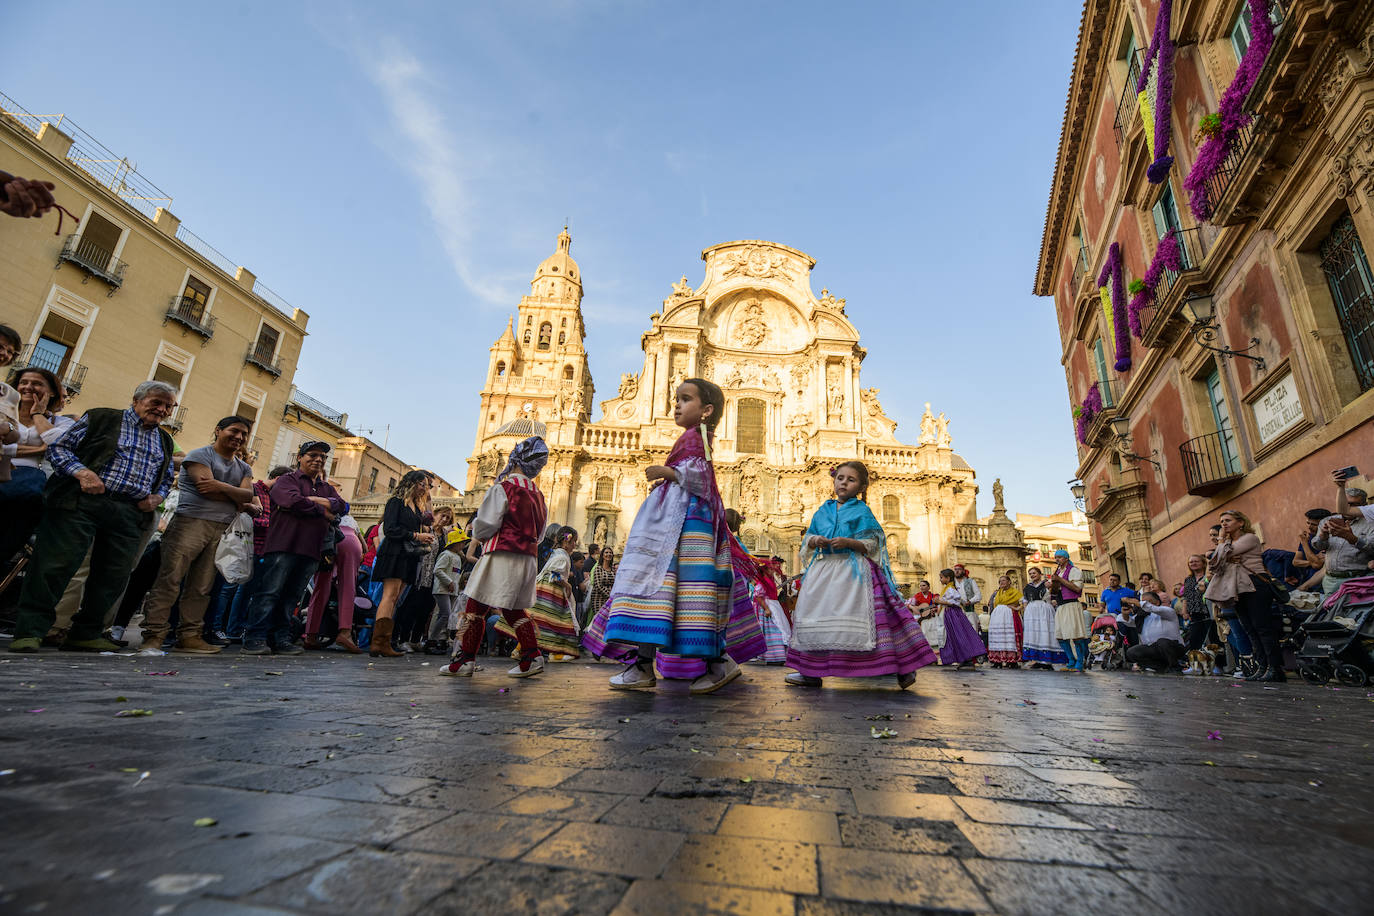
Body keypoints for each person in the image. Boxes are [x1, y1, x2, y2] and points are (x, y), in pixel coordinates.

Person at [583, 379, 743, 694]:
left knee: (670, 589)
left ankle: (699, 663)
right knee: (665, 592)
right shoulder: (691, 437)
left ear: (707, 410)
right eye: (676, 398)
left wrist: (668, 473)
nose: (676, 404)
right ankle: (651, 664)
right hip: (672, 523)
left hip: (682, 526)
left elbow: (702, 476)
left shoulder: (699, 438)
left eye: (685, 399)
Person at [8, 381, 177, 653]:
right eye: (156, 402)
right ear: (136, 400)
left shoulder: (165, 440)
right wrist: (83, 473)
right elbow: (60, 449)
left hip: (129, 511)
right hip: (82, 501)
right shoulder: (102, 417)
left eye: (168, 406)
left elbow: (167, 477)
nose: (162, 409)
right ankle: (30, 631)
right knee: (55, 565)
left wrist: (157, 497)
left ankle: (85, 633)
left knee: (113, 575)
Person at [781, 461, 934, 689]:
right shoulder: (823, 510)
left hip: (856, 573)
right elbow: (807, 540)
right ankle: (810, 671)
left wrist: (850, 542)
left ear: (861, 487)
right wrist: (815, 540)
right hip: (825, 572)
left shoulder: (862, 511)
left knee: (881, 619)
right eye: (840, 477)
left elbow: (875, 543)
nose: (843, 482)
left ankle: (902, 667)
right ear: (833, 480)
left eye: (850, 479)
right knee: (817, 620)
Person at [136, 416, 257, 656]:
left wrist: (225, 489)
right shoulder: (199, 455)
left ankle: (190, 636)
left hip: (221, 529)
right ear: (218, 430)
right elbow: (206, 488)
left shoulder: (244, 467)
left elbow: (244, 495)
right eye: (234, 431)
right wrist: (238, 497)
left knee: (202, 586)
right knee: (169, 581)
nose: (239, 438)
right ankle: (153, 636)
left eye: (244, 434)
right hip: (190, 523)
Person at [439, 436, 549, 678]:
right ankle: (532, 656)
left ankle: (466, 659)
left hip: (501, 554)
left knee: (475, 605)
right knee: (514, 608)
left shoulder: (503, 488)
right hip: (527, 558)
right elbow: (540, 534)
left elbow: (484, 526)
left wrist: (478, 530)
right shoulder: (539, 495)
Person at [242, 442, 347, 656]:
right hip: (283, 545)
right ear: (300, 457)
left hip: (311, 550)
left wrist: (316, 501)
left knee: (292, 597)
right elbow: (291, 501)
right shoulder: (286, 480)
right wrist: (324, 511)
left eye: (323, 457)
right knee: (269, 592)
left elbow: (343, 507)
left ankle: (281, 638)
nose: (318, 460)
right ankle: (255, 638)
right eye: (313, 455)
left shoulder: (326, 487)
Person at [0, 367, 73, 568]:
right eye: (24, 382)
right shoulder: (3, 412)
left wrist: (38, 415)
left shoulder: (62, 422)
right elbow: (48, 446)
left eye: (37, 384)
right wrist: (39, 448)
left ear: (52, 393)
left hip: (27, 490)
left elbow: (59, 445)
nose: (28, 387)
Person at [1204, 509, 1285, 682]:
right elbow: (1215, 564)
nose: (1224, 524)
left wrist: (1222, 546)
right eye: (1222, 521)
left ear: (1240, 522)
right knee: (1249, 629)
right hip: (1238, 589)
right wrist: (1223, 553)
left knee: (1262, 628)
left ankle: (1275, 668)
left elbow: (1221, 556)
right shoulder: (1229, 543)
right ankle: (1262, 666)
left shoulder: (1249, 538)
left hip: (1254, 585)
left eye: (1228, 520)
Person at [368, 470, 436, 658]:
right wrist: (416, 535)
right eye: (422, 484)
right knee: (389, 596)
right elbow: (390, 529)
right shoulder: (396, 502)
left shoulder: (416, 507)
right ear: (411, 483)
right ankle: (378, 642)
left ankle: (384, 641)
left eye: (427, 485)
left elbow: (430, 519)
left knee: (396, 598)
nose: (425, 488)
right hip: (394, 552)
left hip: (408, 555)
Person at [497, 525, 583, 658]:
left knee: (541, 622)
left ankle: (522, 648)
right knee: (556, 624)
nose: (574, 545)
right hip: (551, 594)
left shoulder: (557, 553)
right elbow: (555, 575)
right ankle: (556, 653)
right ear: (566, 542)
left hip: (545, 591)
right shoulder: (562, 556)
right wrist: (568, 585)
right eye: (573, 542)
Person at [303, 513, 364, 653]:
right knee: (347, 588)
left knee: (320, 587)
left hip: (328, 538)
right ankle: (345, 633)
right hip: (350, 541)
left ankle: (310, 635)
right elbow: (365, 547)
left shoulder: (327, 513)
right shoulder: (352, 521)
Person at [933, 568, 986, 668]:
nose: (940, 580)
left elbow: (955, 602)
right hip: (949, 615)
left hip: (954, 615)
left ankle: (968, 657)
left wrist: (940, 602)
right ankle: (961, 658)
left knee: (960, 635)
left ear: (948, 578)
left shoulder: (951, 589)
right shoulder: (947, 588)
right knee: (953, 636)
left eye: (941, 577)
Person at [1121, 591, 1184, 672]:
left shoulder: (1168, 611)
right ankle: (1160, 667)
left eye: (1147, 601)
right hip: (1154, 648)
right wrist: (1125, 614)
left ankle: (1175, 667)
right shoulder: (1141, 616)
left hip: (1173, 647)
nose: (1143, 604)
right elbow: (1129, 622)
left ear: (1157, 602)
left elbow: (1151, 608)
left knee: (1162, 642)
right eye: (1142, 601)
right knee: (1131, 652)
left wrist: (1134, 601)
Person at [1048, 548, 1088, 671]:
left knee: (1075, 634)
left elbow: (1077, 588)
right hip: (1061, 606)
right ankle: (1071, 660)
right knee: (1060, 636)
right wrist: (1052, 585)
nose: (1057, 560)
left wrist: (1059, 580)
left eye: (1059, 557)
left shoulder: (1074, 571)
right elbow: (1055, 591)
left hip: (1071, 605)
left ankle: (1080, 662)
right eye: (1056, 558)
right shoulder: (1059, 572)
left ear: (1066, 558)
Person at [429, 529, 467, 653]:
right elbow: (437, 570)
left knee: (448, 615)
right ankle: (432, 639)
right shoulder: (446, 554)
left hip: (451, 590)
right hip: (442, 589)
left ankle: (442, 638)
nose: (463, 545)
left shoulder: (456, 556)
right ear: (454, 543)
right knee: (445, 614)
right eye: (461, 543)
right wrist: (449, 582)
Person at [1019, 566, 1065, 668]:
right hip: (1032, 611)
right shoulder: (1027, 587)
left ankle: (1047, 661)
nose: (1032, 575)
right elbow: (1025, 600)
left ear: (1040, 574)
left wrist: (1050, 588)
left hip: (1044, 609)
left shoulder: (1047, 584)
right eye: (1030, 573)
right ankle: (1036, 660)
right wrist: (1026, 612)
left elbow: (1056, 594)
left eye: (1034, 573)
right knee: (1034, 634)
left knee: (1045, 632)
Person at [985, 574, 1023, 667]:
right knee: (997, 637)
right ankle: (997, 660)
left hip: (1009, 616)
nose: (1001, 582)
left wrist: (1017, 608)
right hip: (997, 617)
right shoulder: (997, 593)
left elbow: (1023, 602)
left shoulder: (1015, 592)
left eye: (1003, 580)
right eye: (1000, 581)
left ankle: (1012, 660)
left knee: (1008, 637)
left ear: (1009, 582)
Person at [906, 580, 945, 659]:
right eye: (920, 586)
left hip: (932, 618)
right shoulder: (917, 596)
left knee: (934, 632)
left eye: (923, 585)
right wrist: (913, 608)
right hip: (922, 619)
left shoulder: (933, 596)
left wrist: (935, 608)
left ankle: (936, 654)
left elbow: (938, 605)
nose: (921, 587)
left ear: (928, 587)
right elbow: (908, 605)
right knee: (924, 633)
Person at [583, 546, 617, 629]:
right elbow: (598, 585)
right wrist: (610, 595)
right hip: (599, 598)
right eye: (606, 552)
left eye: (610, 552)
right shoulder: (598, 568)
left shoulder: (613, 569)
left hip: (610, 600)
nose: (609, 554)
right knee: (599, 622)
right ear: (602, 555)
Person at [951, 564, 982, 633]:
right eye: (955, 569)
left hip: (969, 611)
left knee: (972, 632)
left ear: (963, 571)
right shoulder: (952, 583)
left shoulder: (970, 581)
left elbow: (978, 595)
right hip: (956, 613)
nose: (957, 571)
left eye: (959, 569)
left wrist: (970, 601)